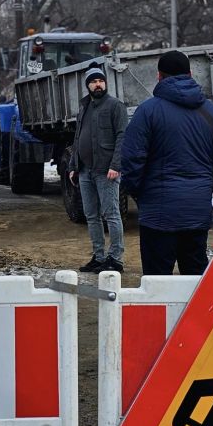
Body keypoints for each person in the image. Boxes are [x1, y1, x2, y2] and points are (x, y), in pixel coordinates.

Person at [121, 50, 213, 275]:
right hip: (197, 209)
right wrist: (204, 186)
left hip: (157, 212)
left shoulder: (147, 111)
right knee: (194, 279)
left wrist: (139, 193)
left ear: (159, 76)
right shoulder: (212, 112)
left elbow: (132, 159)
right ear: (190, 74)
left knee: (157, 282)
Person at [69, 64, 128, 273]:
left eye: (100, 81)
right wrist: (73, 166)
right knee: (91, 215)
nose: (98, 84)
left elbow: (123, 136)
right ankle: (99, 256)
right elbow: (77, 138)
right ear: (88, 86)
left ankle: (116, 258)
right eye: (93, 82)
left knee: (111, 214)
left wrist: (116, 165)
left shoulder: (115, 106)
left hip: (106, 171)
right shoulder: (84, 108)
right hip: (85, 171)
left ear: (105, 83)